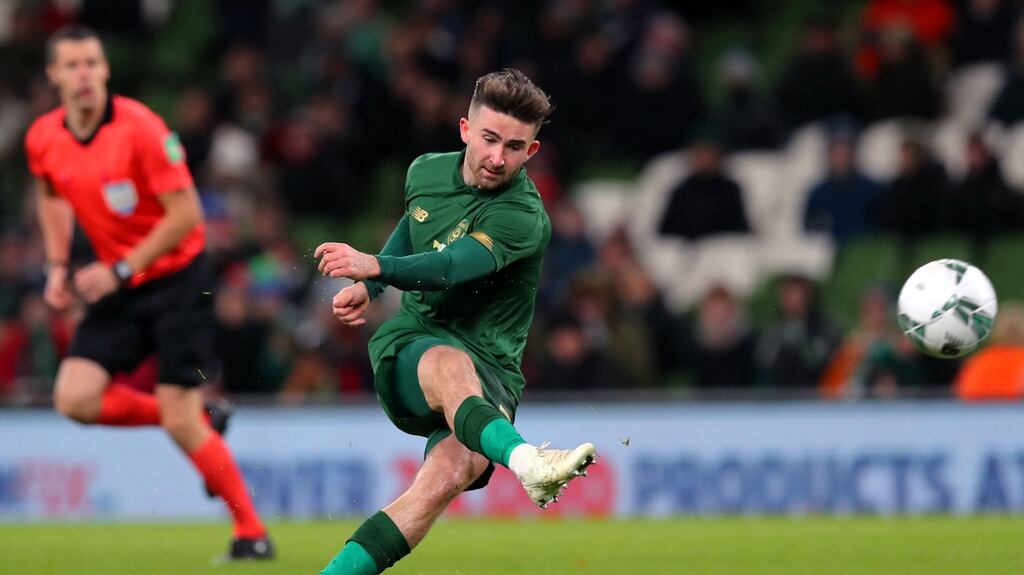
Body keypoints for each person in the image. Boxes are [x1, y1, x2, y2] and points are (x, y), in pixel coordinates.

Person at [314, 69, 596, 575]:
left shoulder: (524, 216)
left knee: (445, 476)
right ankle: (529, 462)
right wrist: (372, 284)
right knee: (448, 363)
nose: (497, 157)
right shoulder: (424, 171)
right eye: (489, 139)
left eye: (514, 147)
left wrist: (374, 268)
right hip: (416, 343)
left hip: (495, 371)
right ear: (465, 129)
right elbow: (412, 229)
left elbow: (449, 268)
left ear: (531, 152)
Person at [24, 26, 272, 560]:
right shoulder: (44, 137)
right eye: (71, 65)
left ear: (105, 69)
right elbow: (51, 196)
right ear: (53, 75)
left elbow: (187, 215)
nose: (84, 74)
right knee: (74, 397)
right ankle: (201, 418)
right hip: (121, 281)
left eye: (92, 62)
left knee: (179, 416)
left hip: (178, 280)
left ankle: (251, 534)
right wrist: (58, 264)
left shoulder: (140, 128)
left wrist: (119, 269)